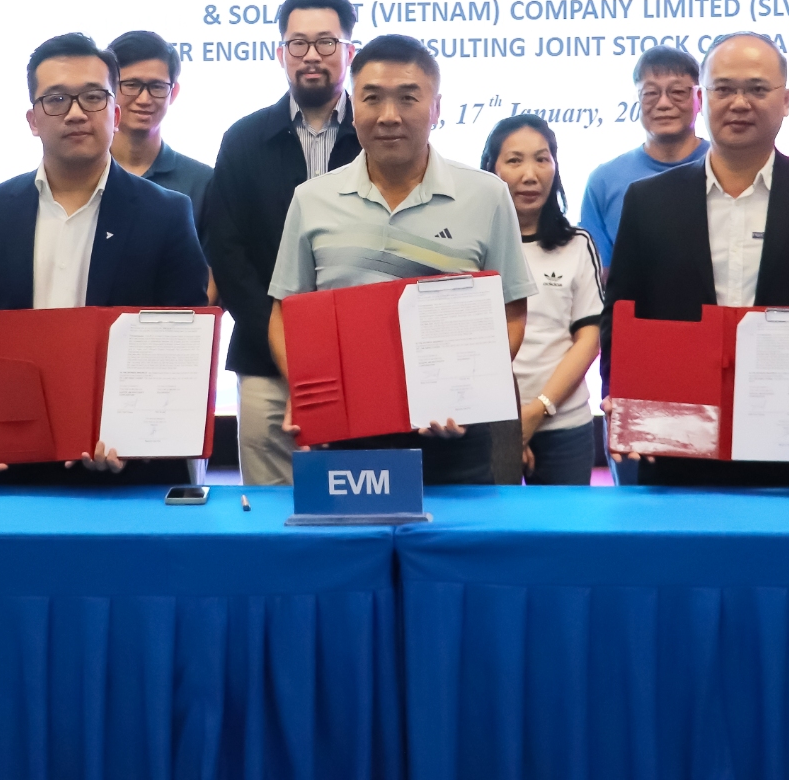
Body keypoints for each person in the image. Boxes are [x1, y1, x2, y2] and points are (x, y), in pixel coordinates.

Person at [602, 32, 789, 486]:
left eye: (757, 89)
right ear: (702, 99)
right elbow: (621, 315)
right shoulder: (649, 202)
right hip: (676, 453)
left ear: (786, 100)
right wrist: (621, 397)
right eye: (723, 89)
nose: (739, 103)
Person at [0, 32, 209, 487]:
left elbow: (180, 343)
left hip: (125, 476)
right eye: (56, 99)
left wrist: (135, 436)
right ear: (32, 120)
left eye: (93, 97)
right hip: (3, 464)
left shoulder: (166, 214)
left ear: (115, 113)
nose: (76, 113)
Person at [268, 33, 535, 484]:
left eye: (408, 98)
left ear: (436, 108)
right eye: (372, 98)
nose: (389, 116)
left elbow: (511, 314)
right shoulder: (312, 199)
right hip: (347, 436)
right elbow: (283, 312)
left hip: (457, 438)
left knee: (461, 533)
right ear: (353, 107)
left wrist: (461, 392)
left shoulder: (487, 195)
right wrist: (306, 390)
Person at [203, 0, 363, 485]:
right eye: (298, 43)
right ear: (280, 53)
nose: (311, 55)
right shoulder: (243, 139)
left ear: (349, 52)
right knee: (270, 510)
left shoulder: (377, 135)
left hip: (362, 360)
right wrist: (280, 341)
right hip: (263, 360)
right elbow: (226, 251)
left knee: (362, 494)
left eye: (326, 42)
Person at [483, 114, 603, 485]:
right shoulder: (475, 247)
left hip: (564, 425)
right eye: (514, 160)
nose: (530, 175)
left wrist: (537, 411)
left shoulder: (577, 244)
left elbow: (589, 338)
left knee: (565, 524)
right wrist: (509, 425)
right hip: (488, 425)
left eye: (541, 159)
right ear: (491, 168)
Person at [579, 45, 709, 269]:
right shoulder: (604, 181)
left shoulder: (725, 168)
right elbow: (598, 276)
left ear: (700, 98)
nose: (664, 104)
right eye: (650, 93)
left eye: (678, 92)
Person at [107, 29, 214, 232]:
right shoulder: (84, 174)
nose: (144, 99)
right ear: (108, 89)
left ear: (173, 93)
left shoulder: (202, 182)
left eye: (157, 86)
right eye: (131, 85)